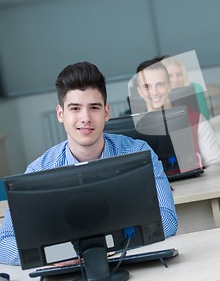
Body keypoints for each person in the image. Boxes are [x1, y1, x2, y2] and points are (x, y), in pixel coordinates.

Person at [0, 62, 178, 266]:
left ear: (106, 112)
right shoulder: (38, 170)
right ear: (61, 114)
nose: (85, 118)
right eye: (75, 108)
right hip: (66, 279)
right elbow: (4, 242)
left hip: (130, 263)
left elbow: (168, 219)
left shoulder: (139, 153)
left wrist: (108, 248)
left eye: (94, 107)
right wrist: (64, 254)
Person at [136, 59, 220, 167]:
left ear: (169, 85)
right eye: (147, 87)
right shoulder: (135, 130)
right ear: (140, 91)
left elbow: (215, 163)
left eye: (160, 85)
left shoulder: (195, 119)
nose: (154, 92)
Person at [160, 56, 211, 120]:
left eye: (179, 75)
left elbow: (205, 119)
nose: (175, 80)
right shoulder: (156, 95)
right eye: (170, 75)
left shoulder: (196, 89)